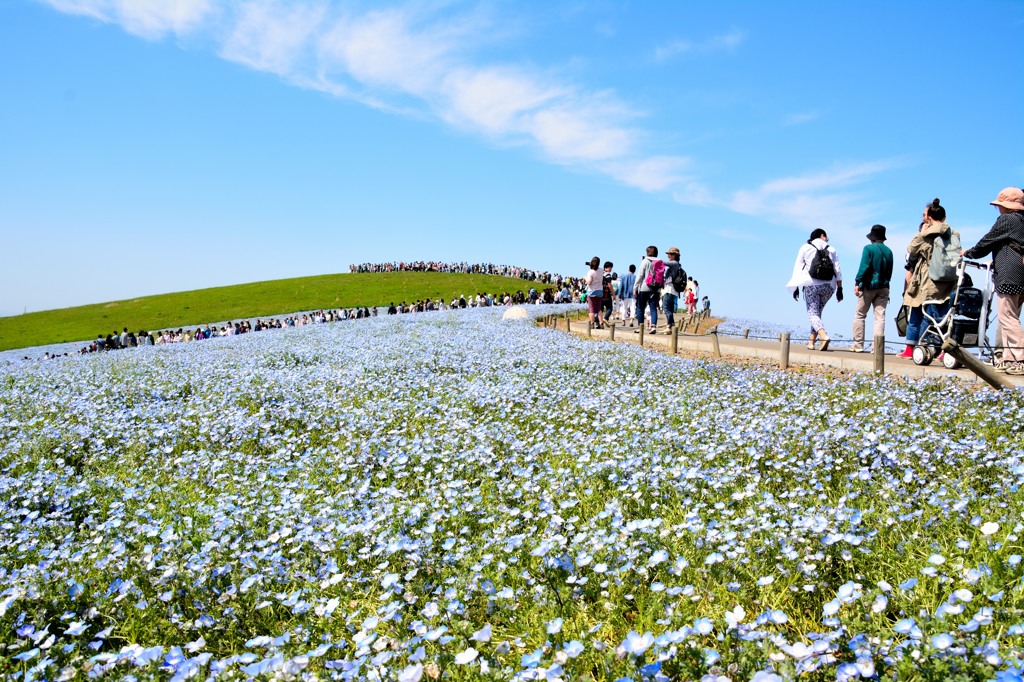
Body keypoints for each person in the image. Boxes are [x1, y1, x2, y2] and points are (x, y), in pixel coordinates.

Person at [962, 187, 1024, 373]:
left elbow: (987, 241)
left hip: (1009, 274)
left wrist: (969, 253)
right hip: (1021, 275)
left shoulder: (1007, 220)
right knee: (1010, 317)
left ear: (1006, 206)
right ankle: (1008, 359)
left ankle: (1020, 359)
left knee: (1008, 318)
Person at [900, 199, 958, 357]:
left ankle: (923, 347)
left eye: (925, 215)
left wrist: (922, 232)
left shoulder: (927, 235)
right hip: (949, 279)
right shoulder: (953, 233)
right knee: (944, 315)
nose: (923, 217)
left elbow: (911, 249)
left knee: (926, 313)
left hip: (930, 279)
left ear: (930, 217)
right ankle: (946, 350)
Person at [787, 228, 843, 350]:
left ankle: (823, 336)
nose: (827, 239)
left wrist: (795, 286)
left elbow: (797, 267)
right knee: (817, 313)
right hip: (829, 286)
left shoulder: (805, 247)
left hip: (812, 284)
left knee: (812, 313)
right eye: (826, 236)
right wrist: (840, 289)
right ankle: (811, 342)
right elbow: (838, 271)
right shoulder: (832, 249)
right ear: (822, 235)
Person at [850, 224, 894, 352]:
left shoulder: (868, 249)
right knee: (880, 317)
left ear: (872, 237)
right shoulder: (889, 251)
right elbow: (890, 271)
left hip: (869, 285)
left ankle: (858, 345)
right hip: (884, 286)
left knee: (860, 314)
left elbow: (864, 267)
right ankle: (877, 348)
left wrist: (858, 282)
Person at [634, 246, 664, 334]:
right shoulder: (660, 261)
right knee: (653, 308)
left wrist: (635, 287)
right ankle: (653, 326)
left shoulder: (645, 261)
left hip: (645, 287)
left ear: (647, 252)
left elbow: (640, 275)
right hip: (656, 288)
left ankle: (640, 327)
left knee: (640, 308)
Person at [662, 247, 683, 330]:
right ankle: (671, 325)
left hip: (670, 289)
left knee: (666, 307)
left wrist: (651, 259)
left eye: (670, 254)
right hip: (672, 290)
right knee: (669, 308)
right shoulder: (676, 264)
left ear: (675, 255)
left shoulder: (674, 263)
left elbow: (663, 263)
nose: (668, 256)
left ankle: (669, 325)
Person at [584, 256, 605, 329]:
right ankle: (601, 323)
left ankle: (592, 323)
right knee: (599, 309)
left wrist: (585, 278)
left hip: (592, 292)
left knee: (591, 309)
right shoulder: (601, 270)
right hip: (600, 291)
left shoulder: (590, 272)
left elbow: (589, 282)